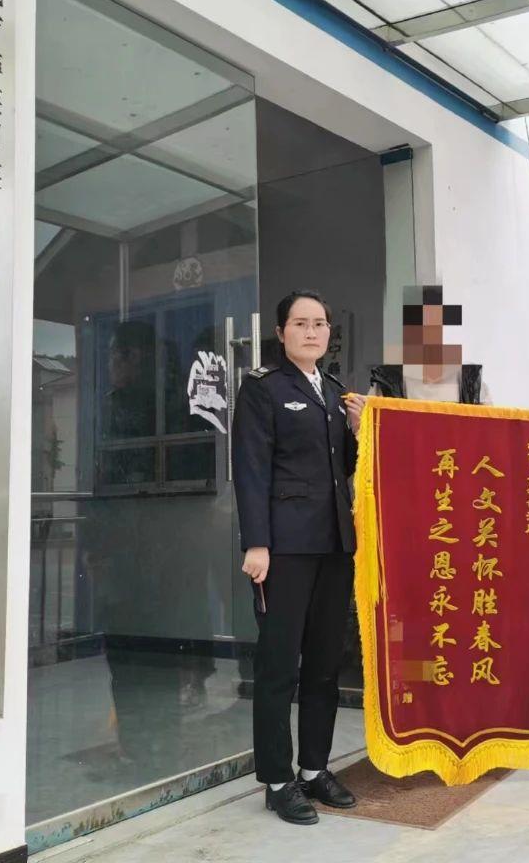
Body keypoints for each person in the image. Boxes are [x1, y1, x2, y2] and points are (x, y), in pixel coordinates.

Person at [232, 289, 366, 825]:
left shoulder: (333, 390)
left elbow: (345, 466)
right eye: (300, 323)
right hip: (284, 548)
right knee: (278, 667)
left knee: (325, 666)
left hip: (334, 544)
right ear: (281, 332)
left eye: (320, 324)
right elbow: (250, 468)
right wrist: (256, 543)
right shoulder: (263, 388)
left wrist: (358, 430)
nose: (312, 332)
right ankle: (277, 780)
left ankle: (314, 769)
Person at [367, 284, 492, 405]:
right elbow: (367, 418)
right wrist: (359, 417)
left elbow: (489, 419)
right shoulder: (387, 382)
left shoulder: (470, 382)